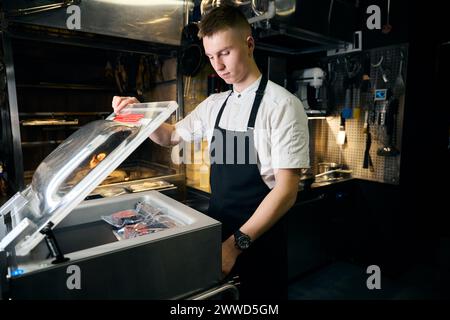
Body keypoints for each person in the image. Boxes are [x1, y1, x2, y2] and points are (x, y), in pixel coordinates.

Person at [112, 5, 309, 299]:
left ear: (249, 44)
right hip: (218, 232)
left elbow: (286, 192)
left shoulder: (282, 105)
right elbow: (170, 136)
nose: (218, 65)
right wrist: (139, 113)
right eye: (210, 57)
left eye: (225, 52)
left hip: (257, 241)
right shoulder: (215, 104)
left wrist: (234, 246)